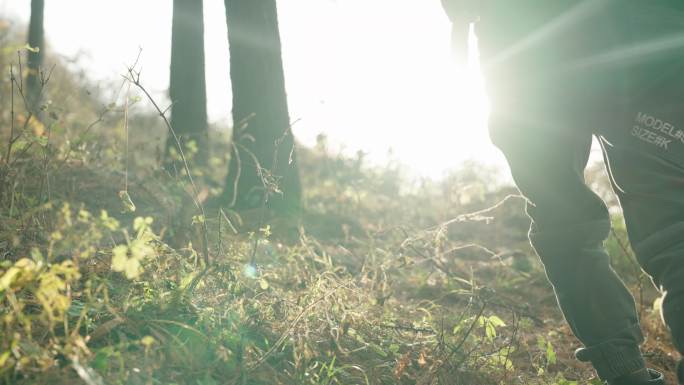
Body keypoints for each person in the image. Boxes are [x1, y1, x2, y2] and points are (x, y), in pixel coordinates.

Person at [440, 1, 684, 384]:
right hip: (644, 38)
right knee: (676, 226)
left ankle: (625, 375)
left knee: (563, 220)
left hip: (527, 47)